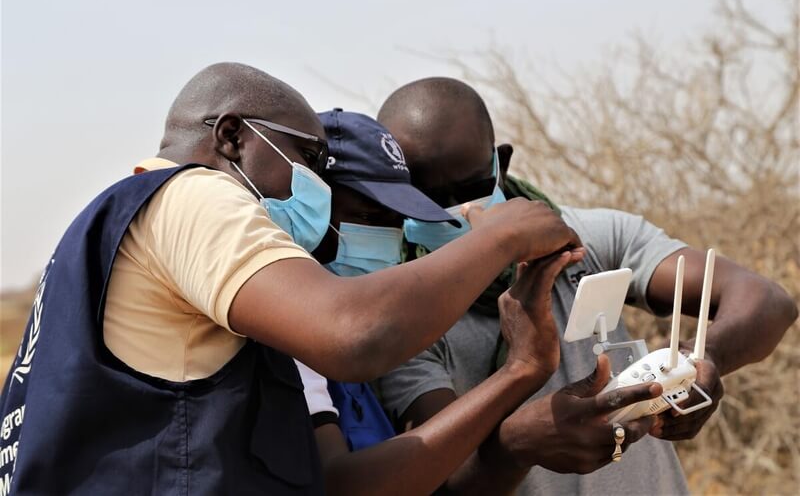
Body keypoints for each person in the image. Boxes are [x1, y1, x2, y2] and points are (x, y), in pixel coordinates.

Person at [0, 64, 583, 495]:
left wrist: (522, 369)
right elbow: (355, 334)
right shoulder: (192, 195)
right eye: (306, 162)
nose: (318, 196)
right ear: (231, 138)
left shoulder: (109, 233)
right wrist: (498, 237)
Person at [375, 77, 799, 495]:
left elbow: (767, 301)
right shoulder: (405, 316)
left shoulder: (586, 241)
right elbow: (444, 477)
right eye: (429, 197)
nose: (461, 212)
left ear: (500, 163)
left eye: (471, 189)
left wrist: (699, 361)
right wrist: (515, 446)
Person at [291, 109, 660, 496]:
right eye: (366, 215)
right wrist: (519, 395)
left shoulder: (586, 241)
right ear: (312, 207)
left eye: (394, 221)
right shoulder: (301, 337)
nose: (384, 238)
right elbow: (348, 485)